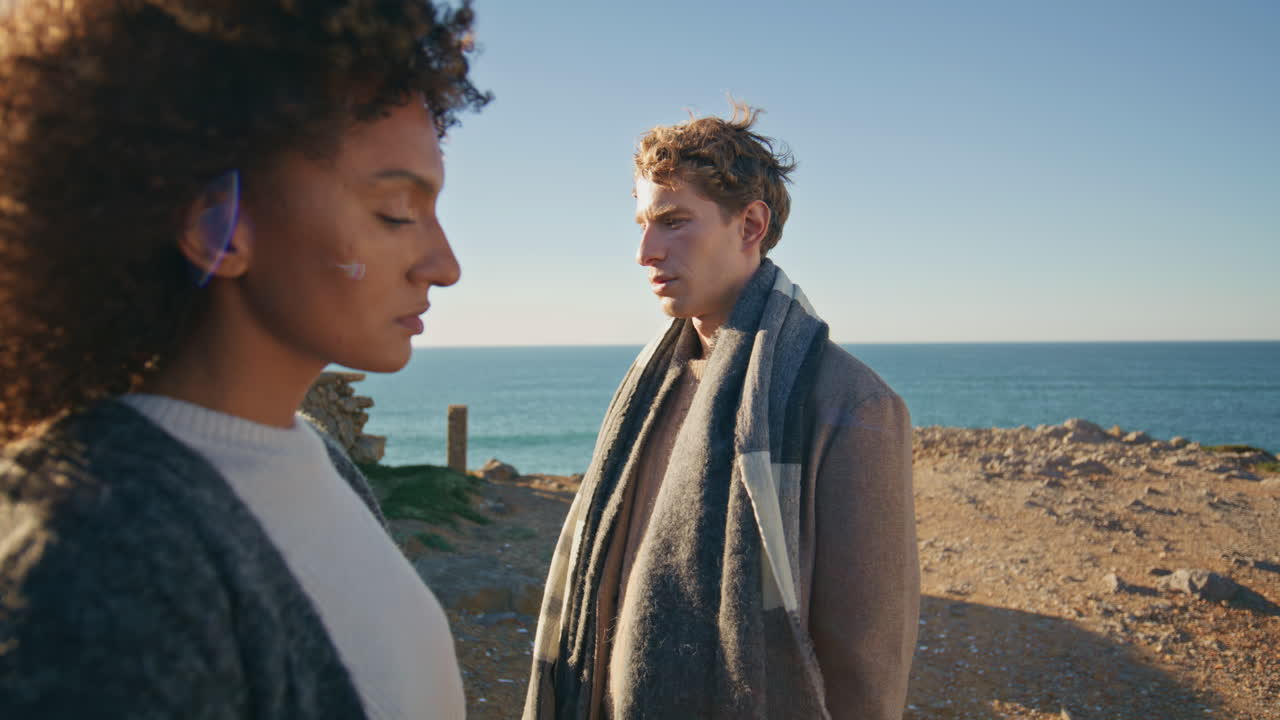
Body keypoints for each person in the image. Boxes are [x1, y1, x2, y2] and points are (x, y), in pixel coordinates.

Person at [0, 1, 488, 717]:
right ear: (217, 230)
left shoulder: (309, 455)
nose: (444, 266)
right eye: (395, 212)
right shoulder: (95, 554)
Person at [525, 104, 920, 720]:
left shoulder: (851, 405)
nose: (645, 251)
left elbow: (865, 666)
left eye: (674, 222)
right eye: (642, 224)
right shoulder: (649, 386)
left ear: (750, 225)